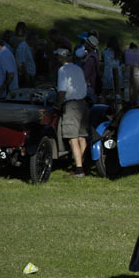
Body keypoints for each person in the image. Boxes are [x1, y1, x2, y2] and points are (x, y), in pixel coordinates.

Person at [53, 48, 89, 178]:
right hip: (82, 103)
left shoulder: (63, 70)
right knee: (82, 136)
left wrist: (58, 104)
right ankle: (83, 165)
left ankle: (79, 170)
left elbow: (62, 90)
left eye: (57, 57)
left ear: (62, 58)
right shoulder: (78, 68)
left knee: (72, 137)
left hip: (72, 104)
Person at [102, 36, 123, 101]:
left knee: (105, 92)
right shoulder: (119, 52)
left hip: (107, 75)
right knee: (117, 93)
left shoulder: (104, 52)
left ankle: (103, 104)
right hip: (117, 75)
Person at [83, 35, 100, 104]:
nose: (84, 44)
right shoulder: (95, 55)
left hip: (89, 86)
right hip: (94, 85)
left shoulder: (90, 59)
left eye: (86, 43)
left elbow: (85, 74)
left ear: (89, 46)